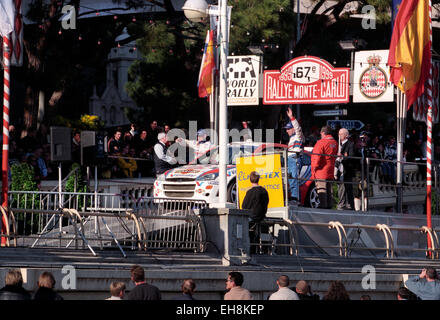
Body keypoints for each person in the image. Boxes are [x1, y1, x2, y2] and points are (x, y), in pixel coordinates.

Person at [311, 126, 338, 209]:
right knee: (329, 191)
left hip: (321, 171)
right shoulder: (334, 142)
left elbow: (316, 157)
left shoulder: (321, 143)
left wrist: (314, 169)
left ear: (323, 133)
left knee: (322, 190)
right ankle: (329, 206)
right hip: (330, 170)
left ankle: (323, 207)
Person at [285, 108, 305, 202]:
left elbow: (298, 128)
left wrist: (291, 117)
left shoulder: (299, 135)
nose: (287, 131)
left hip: (295, 158)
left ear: (293, 128)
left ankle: (295, 199)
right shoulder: (291, 139)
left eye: (288, 129)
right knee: (291, 179)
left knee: (293, 179)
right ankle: (295, 198)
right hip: (290, 159)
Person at [335, 128, 356, 210]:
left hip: (347, 170)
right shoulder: (338, 145)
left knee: (347, 188)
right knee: (341, 188)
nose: (339, 136)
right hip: (340, 171)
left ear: (346, 135)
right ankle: (342, 204)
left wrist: (343, 156)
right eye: (339, 134)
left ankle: (348, 205)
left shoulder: (350, 144)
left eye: (341, 134)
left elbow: (351, 156)